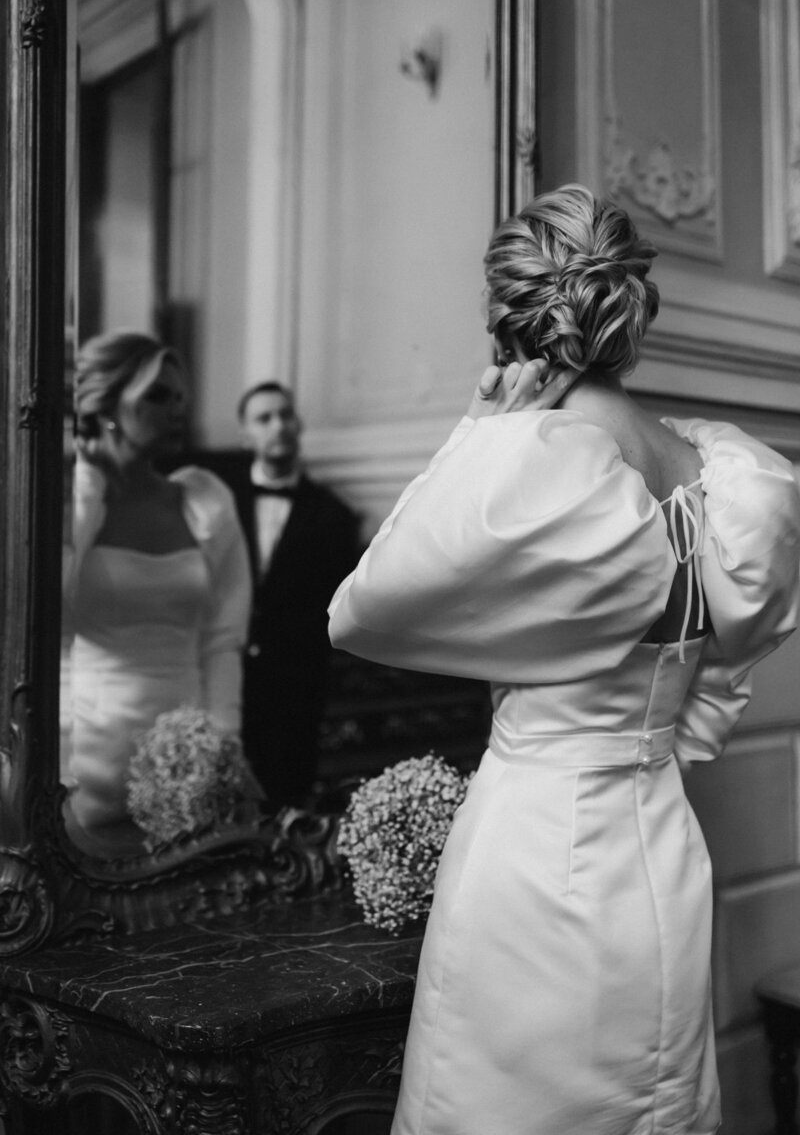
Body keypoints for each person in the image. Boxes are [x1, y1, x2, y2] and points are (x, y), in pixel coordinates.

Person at [328, 184, 800, 1134]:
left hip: (534, 853)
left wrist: (475, 431)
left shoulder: (539, 461)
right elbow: (723, 663)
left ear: (511, 320)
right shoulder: (724, 475)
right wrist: (657, 746)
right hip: (660, 844)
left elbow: (357, 611)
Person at [61, 332, 252, 843]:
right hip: (83, 756)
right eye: (157, 395)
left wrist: (219, 747)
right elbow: (41, 629)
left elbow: (222, 639)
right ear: (107, 406)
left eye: (180, 397)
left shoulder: (204, 500)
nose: (176, 410)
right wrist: (86, 491)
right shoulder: (67, 505)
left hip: (184, 759)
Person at [229, 381, 361, 809]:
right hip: (226, 675)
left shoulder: (333, 515)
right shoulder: (218, 501)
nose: (278, 426)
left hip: (296, 685)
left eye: (286, 415)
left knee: (287, 800)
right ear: (244, 434)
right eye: (264, 418)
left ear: (299, 424)